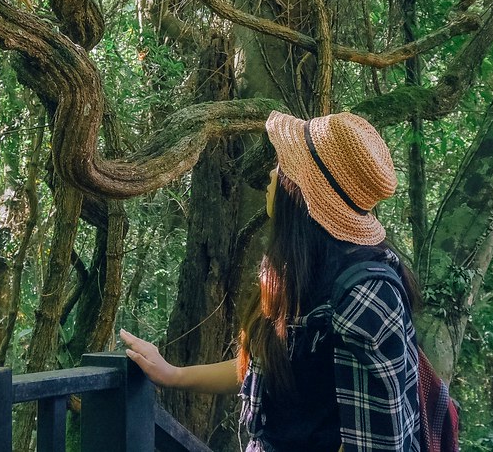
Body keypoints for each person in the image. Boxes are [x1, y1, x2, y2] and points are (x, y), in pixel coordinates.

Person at [120, 110, 421, 452]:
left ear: (302, 191)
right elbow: (269, 366)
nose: (270, 172)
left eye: (282, 163)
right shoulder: (300, 269)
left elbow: (378, 442)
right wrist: (173, 374)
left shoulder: (365, 295)